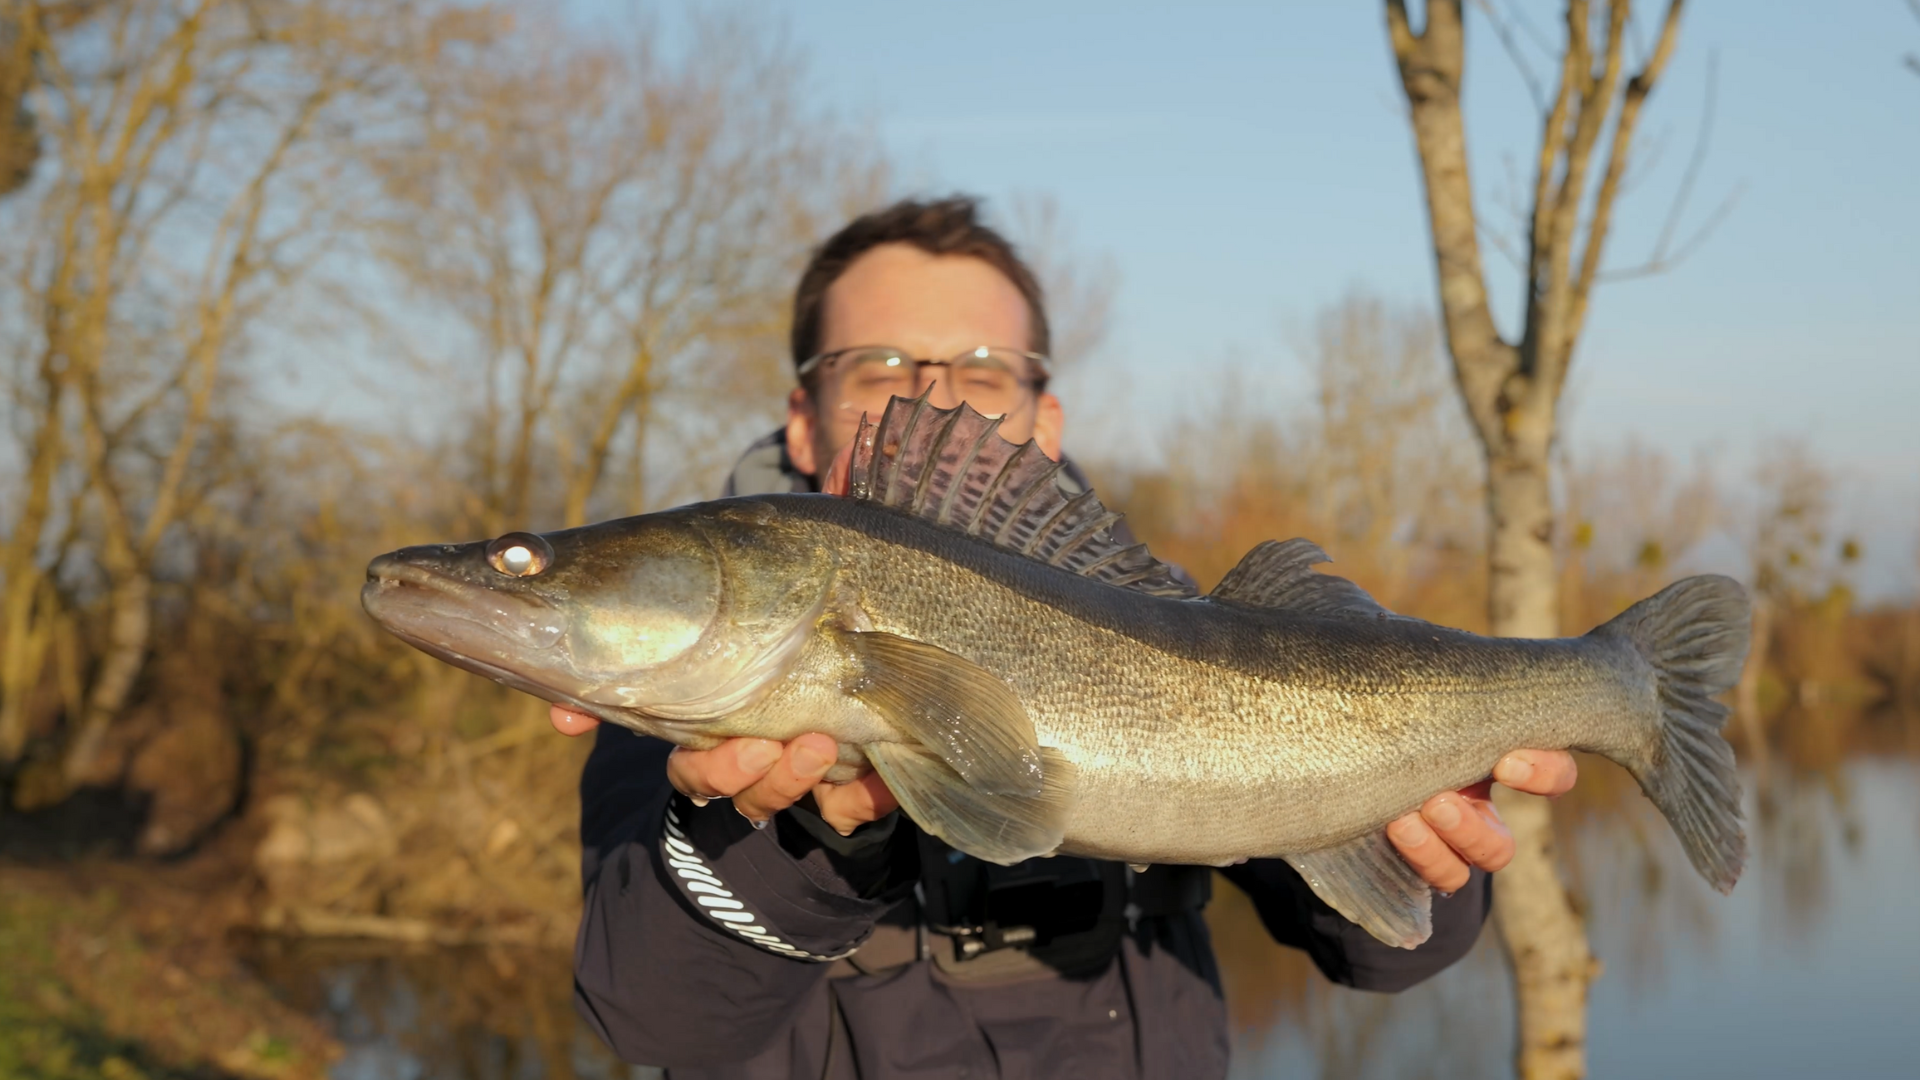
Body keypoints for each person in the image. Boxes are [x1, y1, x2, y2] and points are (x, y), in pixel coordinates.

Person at [553, 197, 1579, 1079]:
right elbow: (653, 1014)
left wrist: (1427, 840)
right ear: (804, 420)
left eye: (984, 368)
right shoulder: (689, 685)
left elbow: (1380, 958)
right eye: (878, 365)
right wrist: (804, 840)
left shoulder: (1183, 626)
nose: (933, 393)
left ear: (1044, 422)